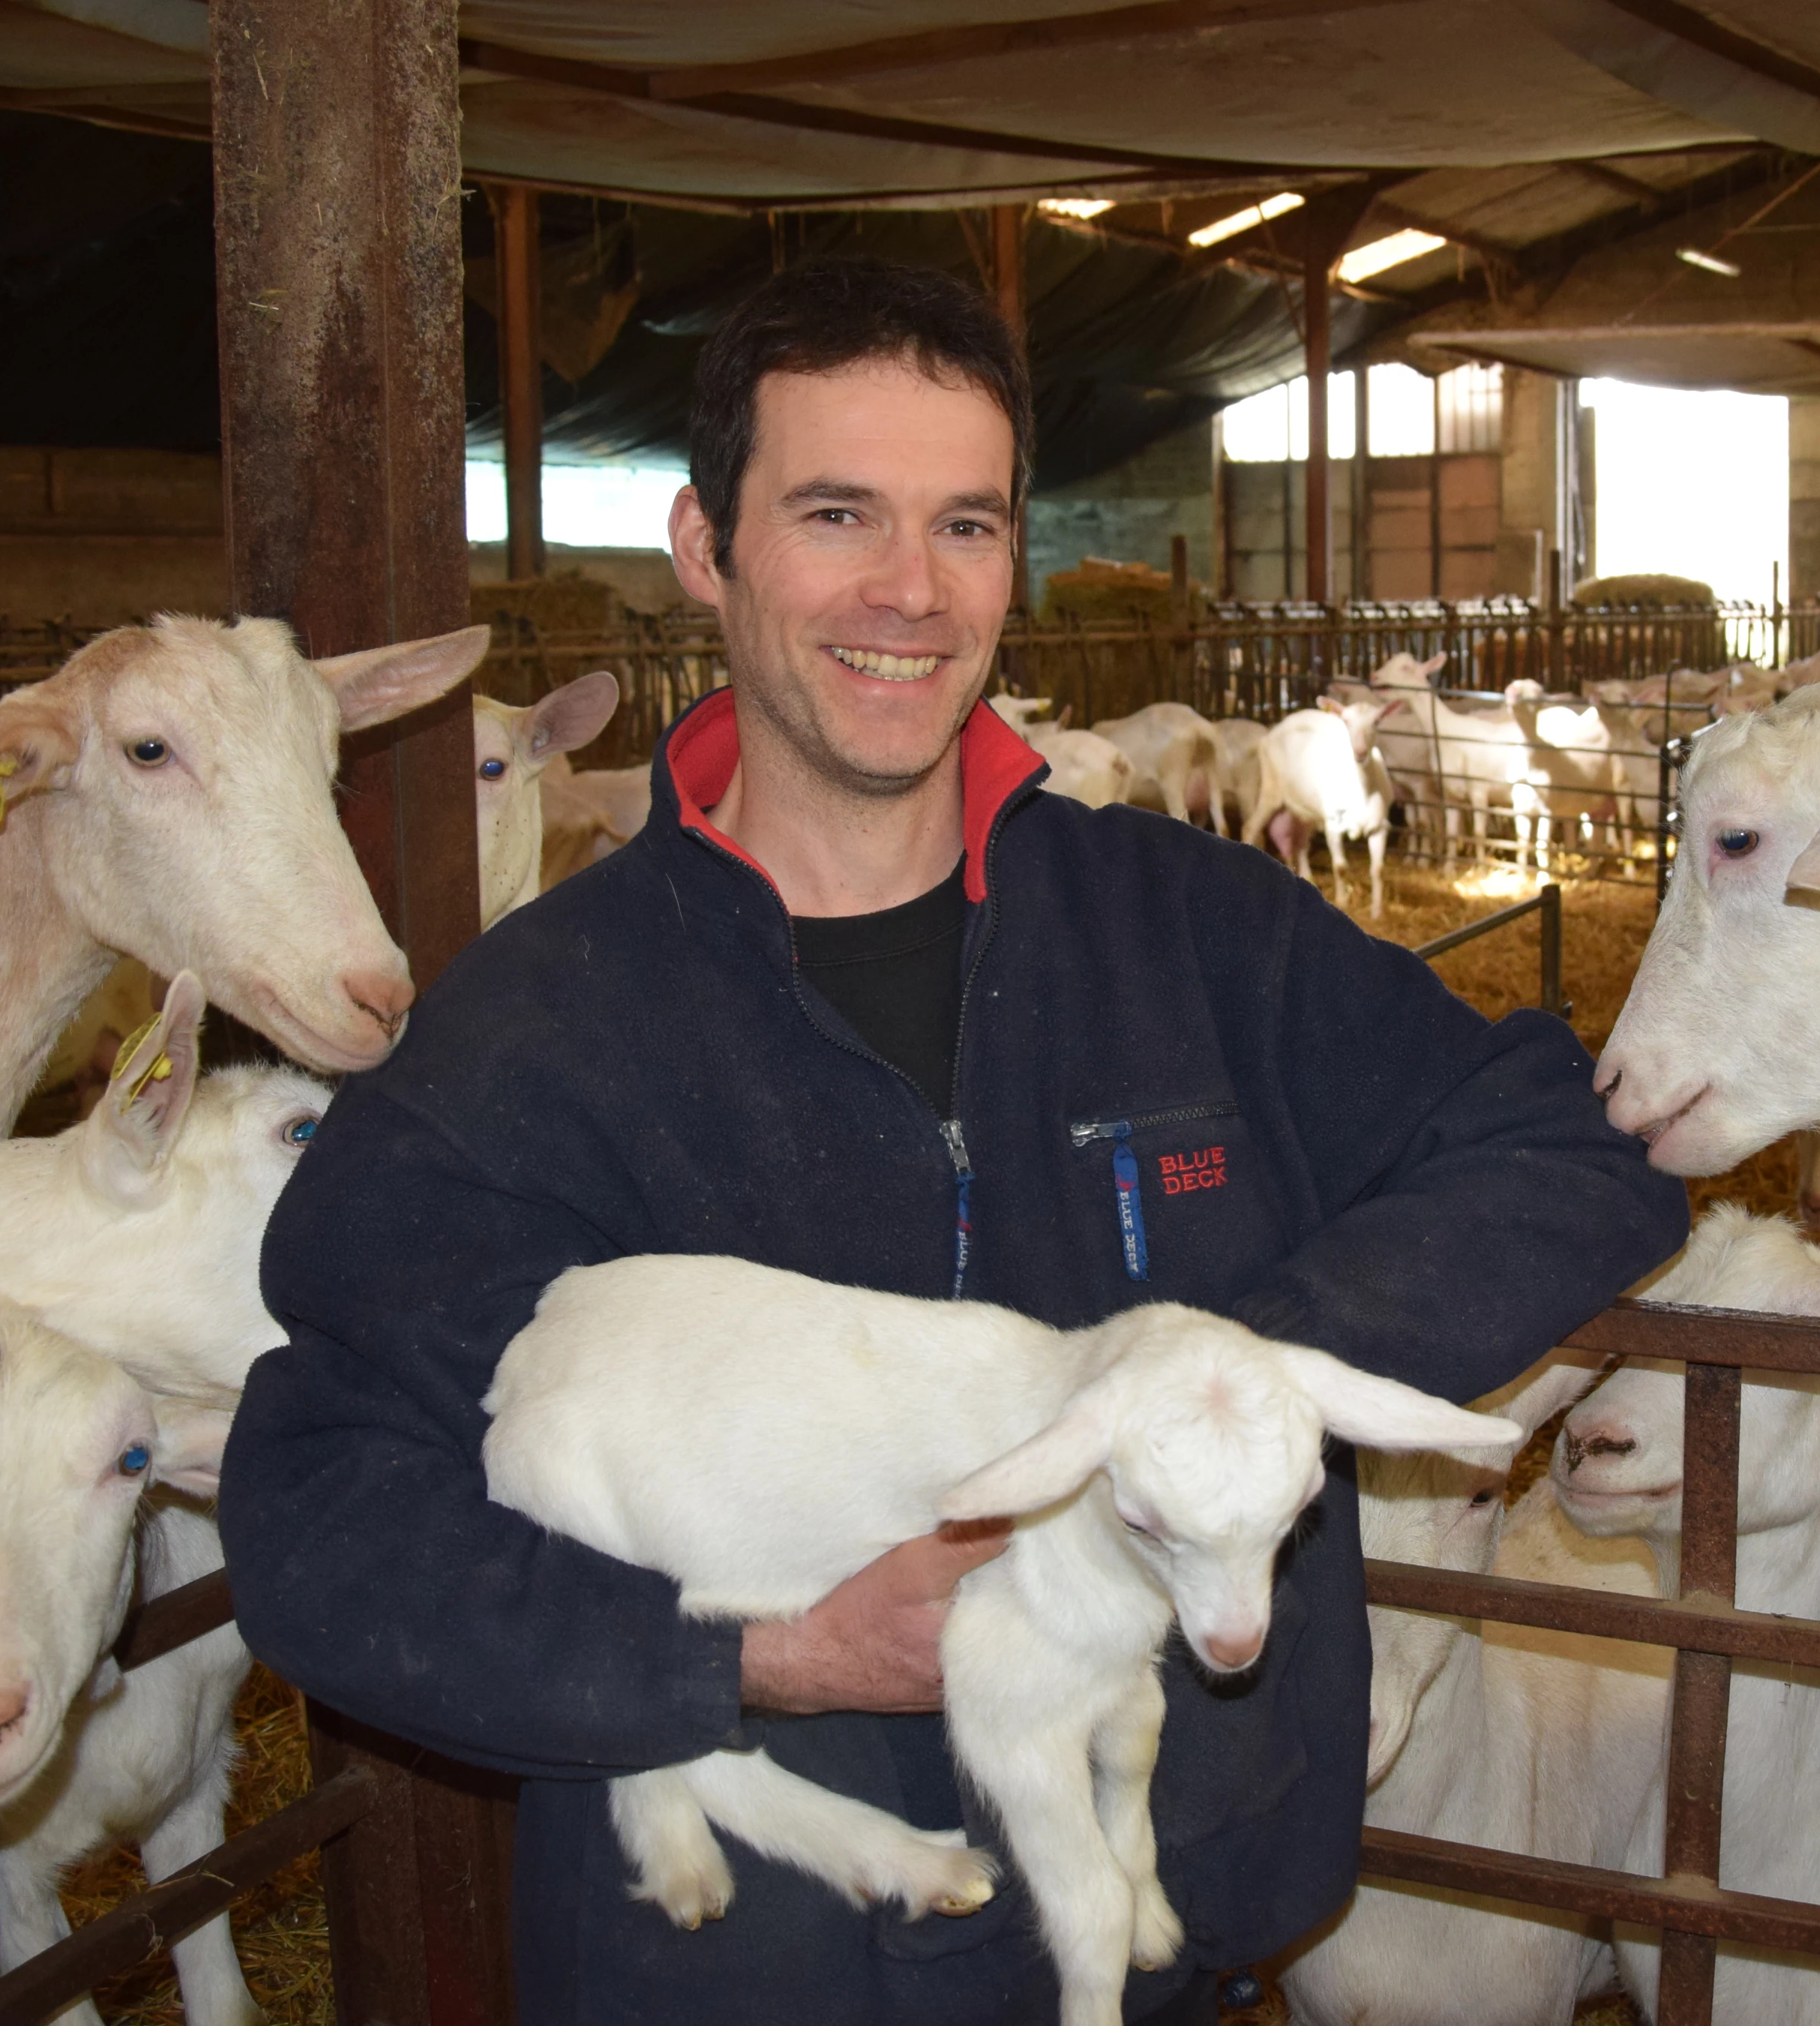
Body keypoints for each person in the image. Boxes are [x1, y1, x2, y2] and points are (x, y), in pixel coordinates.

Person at [222, 256, 1685, 2024]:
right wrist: (763, 1657)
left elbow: (1569, 1144)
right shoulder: (543, 1033)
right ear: (707, 549)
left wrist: (1225, 1381)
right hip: (752, 1966)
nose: (910, 593)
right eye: (838, 515)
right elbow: (320, 1508)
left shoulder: (1189, 933)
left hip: (1159, 1931)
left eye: (967, 527)